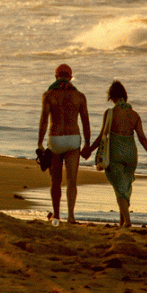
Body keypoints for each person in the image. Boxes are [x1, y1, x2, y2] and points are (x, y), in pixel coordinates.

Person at [86, 80, 147, 228]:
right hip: (131, 153)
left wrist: (89, 150)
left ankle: (128, 221)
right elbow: (142, 138)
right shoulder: (134, 115)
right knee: (125, 187)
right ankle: (122, 221)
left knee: (119, 188)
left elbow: (102, 136)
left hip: (116, 152)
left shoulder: (110, 113)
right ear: (125, 96)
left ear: (112, 97)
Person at [37, 63, 91, 225]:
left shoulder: (48, 95)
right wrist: (87, 144)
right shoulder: (80, 96)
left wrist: (40, 143)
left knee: (56, 181)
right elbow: (86, 122)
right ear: (70, 77)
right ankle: (71, 216)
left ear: (56, 77)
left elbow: (44, 121)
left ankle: (57, 216)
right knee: (72, 181)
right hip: (73, 138)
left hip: (55, 139)